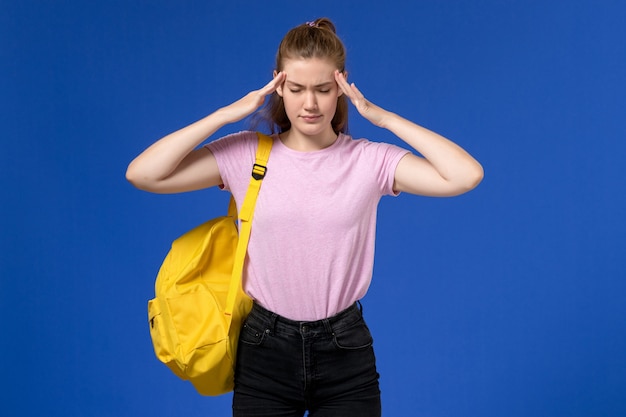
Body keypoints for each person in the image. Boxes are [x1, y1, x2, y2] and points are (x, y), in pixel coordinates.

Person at [127, 17, 483, 417]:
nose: (309, 104)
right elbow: (144, 174)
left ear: (341, 87)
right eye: (296, 89)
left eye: (323, 89)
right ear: (278, 85)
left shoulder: (368, 160)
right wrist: (225, 115)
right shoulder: (247, 155)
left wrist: (383, 118)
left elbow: (465, 175)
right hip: (264, 349)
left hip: (345, 350)